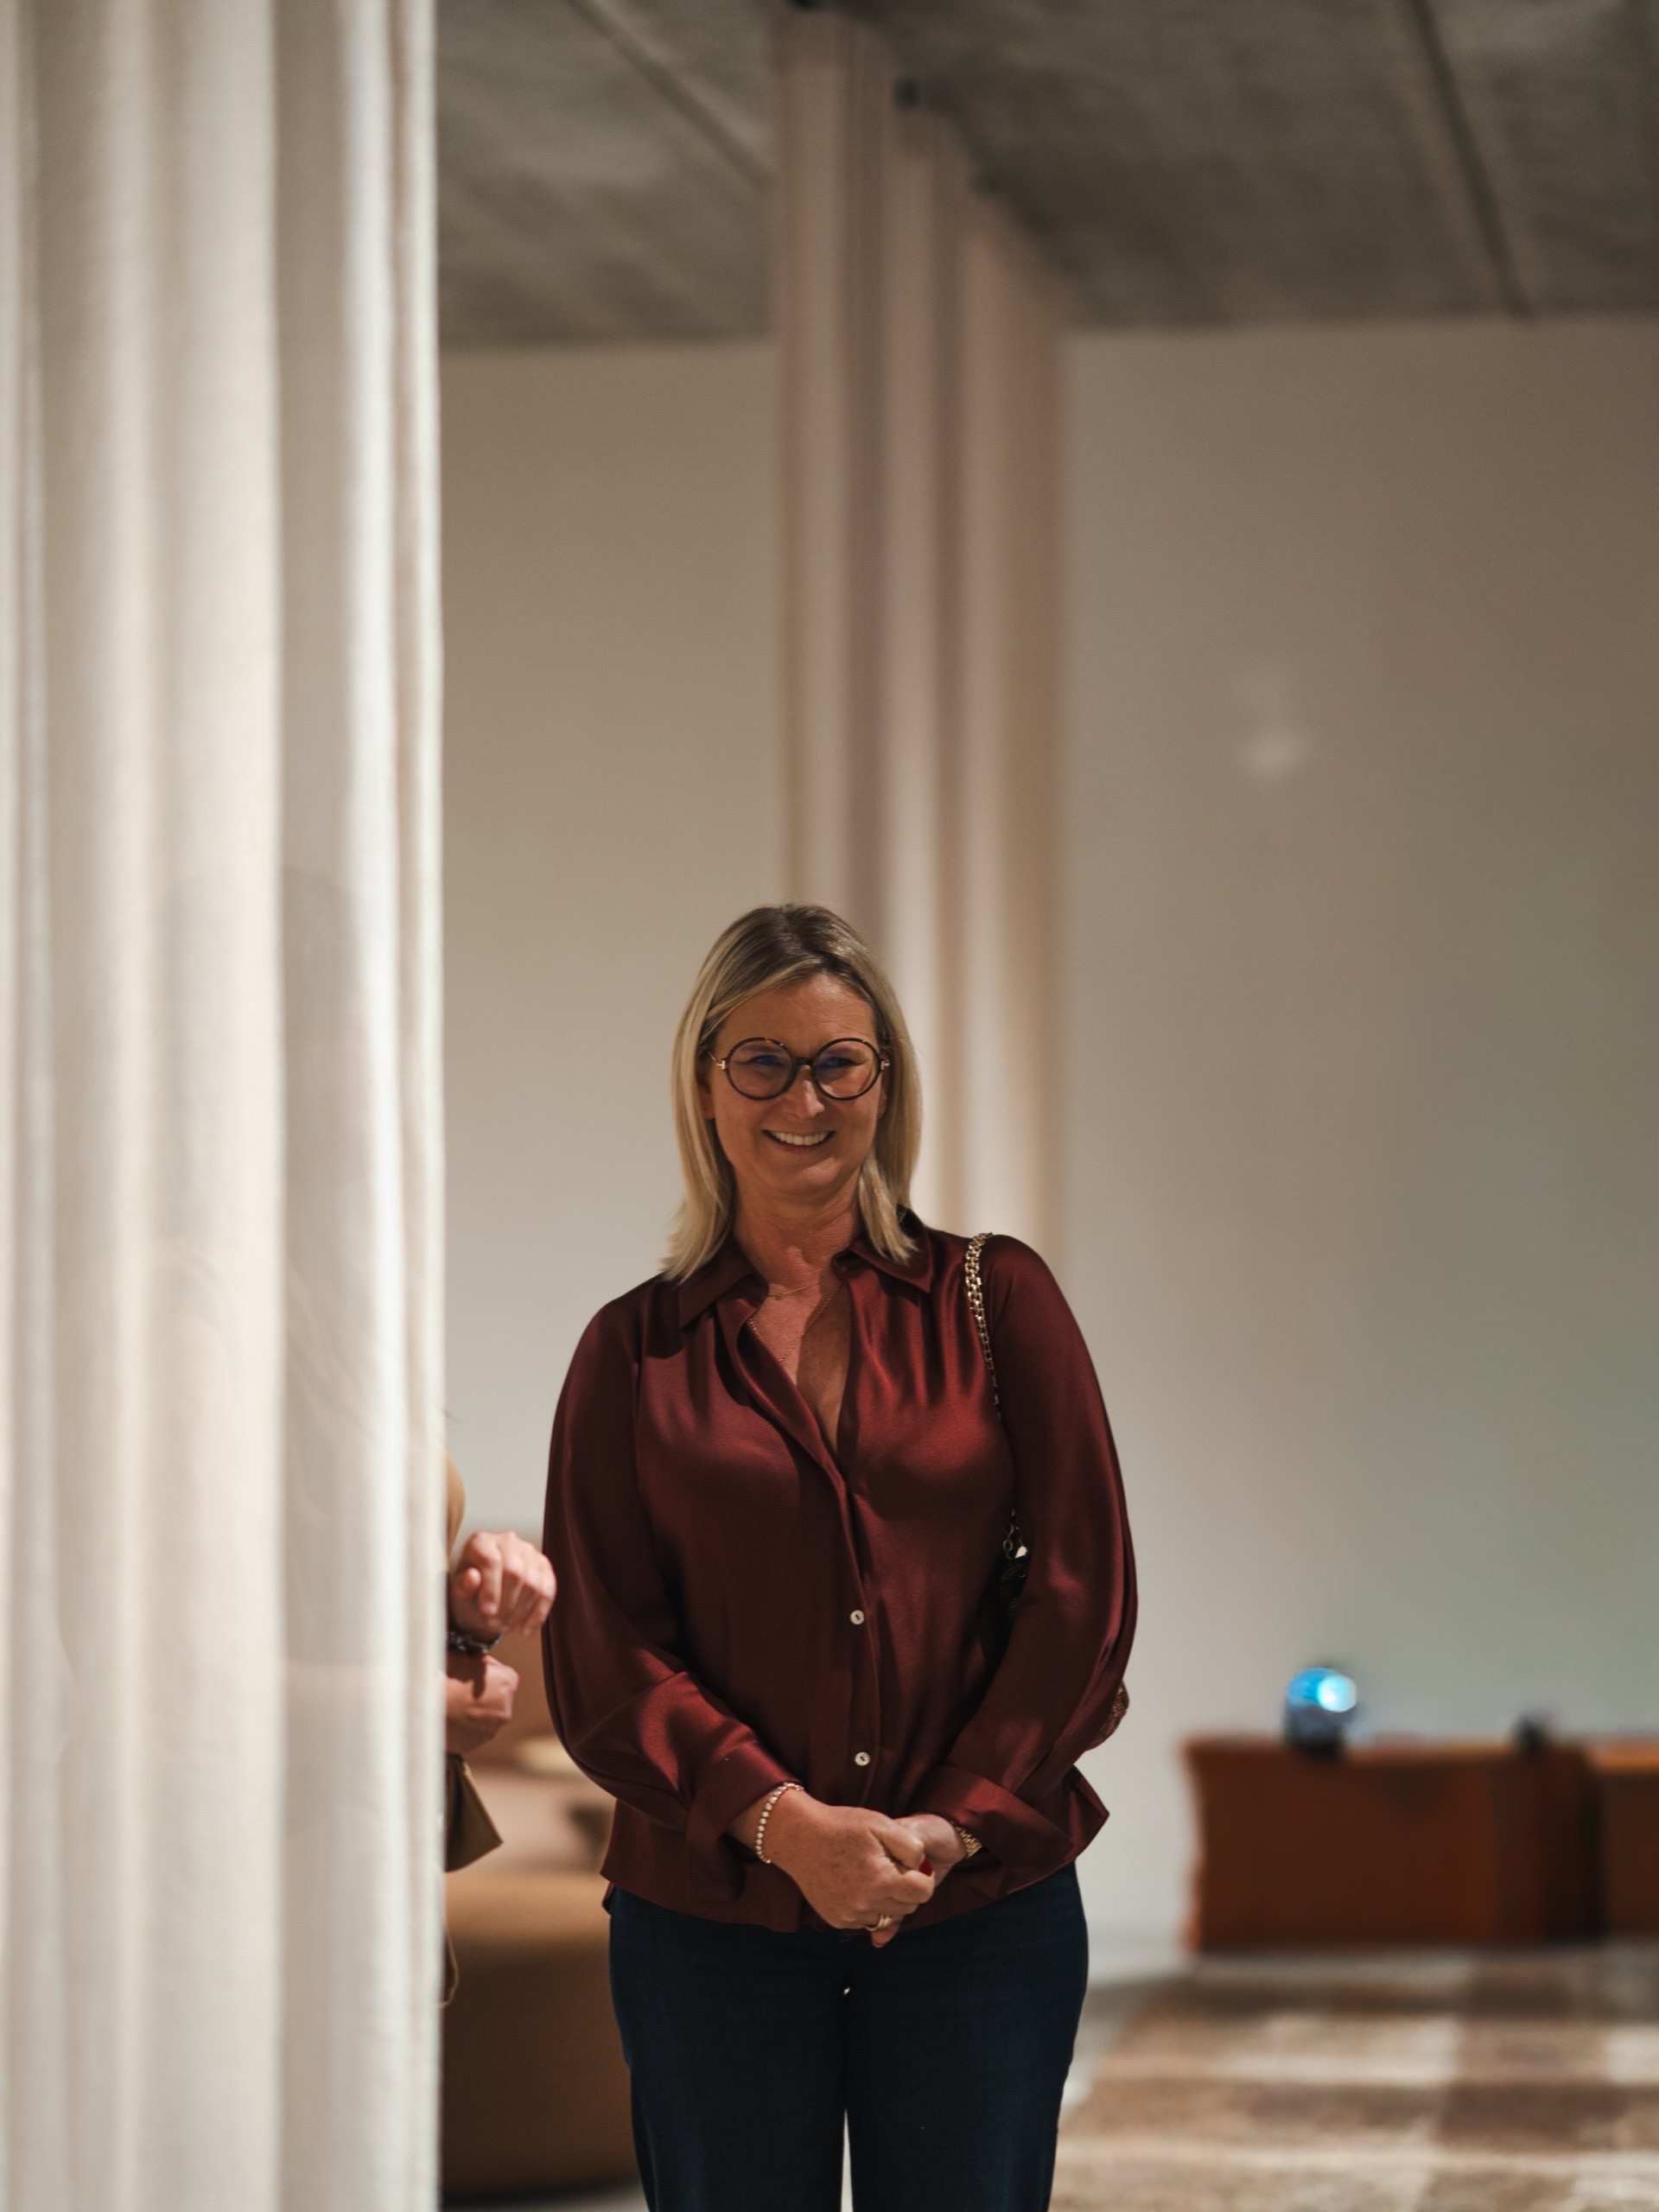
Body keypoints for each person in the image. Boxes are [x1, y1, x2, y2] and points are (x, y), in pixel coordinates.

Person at [542, 905, 1135, 2212]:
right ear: (705, 1086)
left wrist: (947, 1822)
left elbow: (1081, 1600)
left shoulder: (1000, 1299)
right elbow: (604, 1653)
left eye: (838, 1063)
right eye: (762, 1061)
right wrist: (787, 1826)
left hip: (975, 1908)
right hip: (713, 1923)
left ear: (885, 1082)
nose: (801, 1100)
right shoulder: (631, 1352)